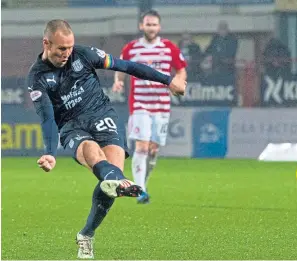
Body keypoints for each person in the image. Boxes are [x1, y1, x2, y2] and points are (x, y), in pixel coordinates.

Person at [27, 19, 186, 259]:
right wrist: (50, 151)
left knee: (110, 184)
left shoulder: (85, 54)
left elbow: (126, 66)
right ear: (46, 43)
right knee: (92, 152)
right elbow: (47, 118)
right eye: (61, 49)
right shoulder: (37, 76)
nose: (67, 53)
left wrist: (167, 80)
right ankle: (121, 180)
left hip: (102, 116)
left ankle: (86, 234)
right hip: (71, 126)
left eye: (70, 47)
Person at [112, 10, 187, 204]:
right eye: (148, 24)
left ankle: (143, 182)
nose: (151, 28)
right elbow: (120, 68)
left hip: (161, 105)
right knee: (142, 145)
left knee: (153, 150)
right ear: (141, 26)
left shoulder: (169, 48)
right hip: (139, 104)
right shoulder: (131, 48)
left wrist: (179, 84)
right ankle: (141, 190)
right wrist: (118, 82)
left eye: (154, 25)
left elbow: (181, 69)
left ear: (159, 27)